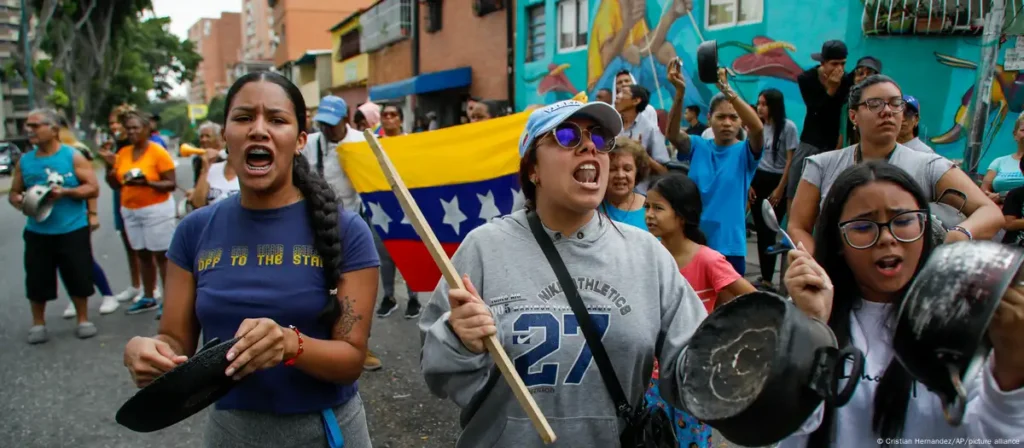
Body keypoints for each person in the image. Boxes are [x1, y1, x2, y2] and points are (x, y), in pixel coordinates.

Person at [419, 99, 707, 447]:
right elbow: (436, 370)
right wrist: (458, 339)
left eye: (600, 138)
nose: (589, 145)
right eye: (567, 135)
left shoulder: (647, 255)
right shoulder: (483, 248)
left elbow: (694, 371)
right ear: (533, 169)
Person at [123, 71, 379, 447]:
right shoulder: (194, 231)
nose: (259, 130)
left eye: (277, 120)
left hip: (325, 431)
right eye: (243, 118)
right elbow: (175, 340)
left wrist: (291, 344)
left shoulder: (348, 231)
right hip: (231, 432)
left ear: (300, 140)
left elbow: (351, 360)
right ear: (226, 136)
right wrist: (150, 352)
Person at [779, 161, 1024, 447]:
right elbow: (787, 431)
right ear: (838, 242)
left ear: (925, 227)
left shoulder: (971, 319)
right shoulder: (807, 311)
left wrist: (1013, 368)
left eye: (904, 220)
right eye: (862, 226)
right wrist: (812, 329)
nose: (887, 238)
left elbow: (1000, 438)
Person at [787, 75, 1004, 255]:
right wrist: (819, 266)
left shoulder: (927, 165)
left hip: (904, 287)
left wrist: (960, 233)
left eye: (896, 103)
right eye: (874, 104)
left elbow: (989, 212)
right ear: (854, 116)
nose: (887, 111)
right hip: (836, 285)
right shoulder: (823, 165)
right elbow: (798, 226)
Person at [300, 95, 407, 371]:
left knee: (354, 291)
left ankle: (360, 345)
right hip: (312, 222)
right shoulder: (310, 144)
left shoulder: (361, 142)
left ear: (346, 120)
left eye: (332, 124)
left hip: (350, 224)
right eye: (322, 124)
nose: (326, 129)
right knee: (317, 285)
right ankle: (317, 345)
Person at [666, 63, 765, 276]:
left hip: (730, 248)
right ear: (709, 118)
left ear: (741, 122)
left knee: (728, 308)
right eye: (721, 117)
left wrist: (727, 90)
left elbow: (757, 128)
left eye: (733, 117)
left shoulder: (745, 153)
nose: (727, 123)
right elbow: (673, 135)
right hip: (695, 244)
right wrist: (680, 92)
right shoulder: (698, 146)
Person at [10, 108, 100, 343]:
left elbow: (92, 187)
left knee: (78, 273)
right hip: (38, 231)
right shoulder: (25, 162)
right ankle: (38, 324)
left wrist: (67, 192)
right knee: (37, 278)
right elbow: (13, 193)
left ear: (53, 129)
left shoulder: (72, 156)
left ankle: (83, 319)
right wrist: (22, 201)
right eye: (27, 126)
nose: (29, 130)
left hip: (72, 228)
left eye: (35, 125)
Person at [108, 110, 178, 317]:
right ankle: (148, 296)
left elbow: (171, 184)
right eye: (128, 128)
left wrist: (147, 182)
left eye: (135, 128)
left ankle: (170, 301)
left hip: (156, 209)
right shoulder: (123, 153)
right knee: (142, 254)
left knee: (162, 256)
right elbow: (115, 184)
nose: (131, 132)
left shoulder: (157, 152)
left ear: (146, 129)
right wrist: (109, 169)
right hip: (130, 210)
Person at [57, 116, 120, 317]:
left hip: (76, 216)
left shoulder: (76, 150)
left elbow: (92, 185)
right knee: (63, 261)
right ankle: (75, 297)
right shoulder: (41, 154)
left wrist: (92, 213)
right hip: (52, 219)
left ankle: (108, 294)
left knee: (82, 258)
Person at [789, 40, 852, 210]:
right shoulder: (806, 79)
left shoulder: (846, 81)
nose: (839, 69)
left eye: (843, 64)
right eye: (834, 64)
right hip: (810, 140)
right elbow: (815, 110)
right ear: (823, 63)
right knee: (795, 187)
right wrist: (831, 89)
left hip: (833, 144)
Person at [749, 88, 798, 288]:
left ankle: (771, 278)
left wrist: (780, 188)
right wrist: (750, 184)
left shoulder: (788, 127)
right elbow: (750, 156)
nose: (760, 108)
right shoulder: (757, 126)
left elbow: (790, 161)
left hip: (777, 181)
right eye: (758, 103)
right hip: (758, 180)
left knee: (771, 230)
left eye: (764, 104)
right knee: (761, 231)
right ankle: (766, 277)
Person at [98, 105, 147, 304]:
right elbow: (112, 181)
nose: (115, 127)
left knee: (147, 247)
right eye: (112, 124)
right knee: (129, 242)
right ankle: (136, 284)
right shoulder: (118, 148)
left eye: (118, 123)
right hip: (123, 198)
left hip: (146, 201)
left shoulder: (141, 146)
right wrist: (109, 163)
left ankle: (150, 287)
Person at [600, 136, 649, 229]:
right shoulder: (591, 208)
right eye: (612, 169)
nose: (620, 175)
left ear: (637, 173)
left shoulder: (649, 208)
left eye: (627, 169)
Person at [190, 122, 239, 209]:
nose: (204, 140)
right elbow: (198, 203)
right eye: (201, 136)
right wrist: (205, 169)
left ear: (220, 139)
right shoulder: (200, 161)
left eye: (208, 136)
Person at [981, 112, 1024, 204]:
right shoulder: (999, 162)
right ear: (1015, 135)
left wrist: (1003, 196)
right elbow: (983, 192)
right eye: (1023, 130)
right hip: (997, 212)